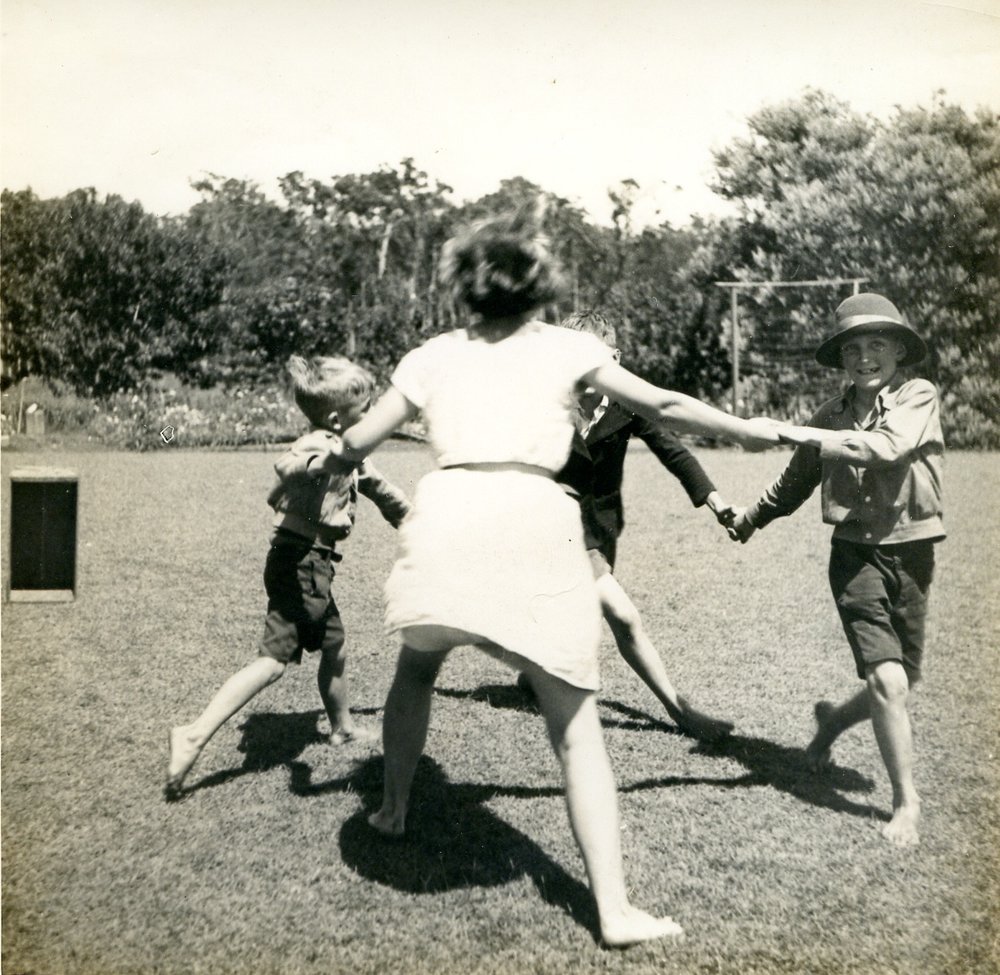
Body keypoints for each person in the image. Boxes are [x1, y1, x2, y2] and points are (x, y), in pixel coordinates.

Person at [327, 212, 780, 945]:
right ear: (540, 287)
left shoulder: (431, 355)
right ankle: (614, 909)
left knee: (416, 668)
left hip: (449, 511)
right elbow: (662, 404)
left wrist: (334, 459)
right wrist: (751, 429)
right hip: (534, 515)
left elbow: (355, 439)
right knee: (575, 725)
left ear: (463, 287)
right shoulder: (572, 346)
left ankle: (391, 809)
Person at [728, 293, 944, 848]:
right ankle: (906, 801)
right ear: (841, 357)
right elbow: (797, 481)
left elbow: (888, 446)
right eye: (853, 347)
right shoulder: (829, 416)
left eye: (877, 344)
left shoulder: (919, 395)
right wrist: (752, 517)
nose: (865, 356)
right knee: (888, 679)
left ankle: (830, 723)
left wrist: (795, 430)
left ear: (898, 350)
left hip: (915, 553)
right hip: (855, 558)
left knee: (903, 677)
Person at [165, 355, 410, 800]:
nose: (375, 417)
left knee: (334, 645)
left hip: (309, 563)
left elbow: (385, 494)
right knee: (273, 662)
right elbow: (289, 465)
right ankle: (194, 734)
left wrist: (419, 524)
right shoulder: (319, 444)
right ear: (338, 420)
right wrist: (324, 465)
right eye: (367, 410)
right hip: (301, 563)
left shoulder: (352, 454)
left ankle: (342, 729)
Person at [521, 309, 736, 742]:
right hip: (552, 525)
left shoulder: (626, 404)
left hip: (601, 527)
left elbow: (673, 451)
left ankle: (533, 675)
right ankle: (681, 710)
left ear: (613, 359)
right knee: (622, 615)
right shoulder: (544, 401)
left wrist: (714, 500)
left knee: (574, 612)